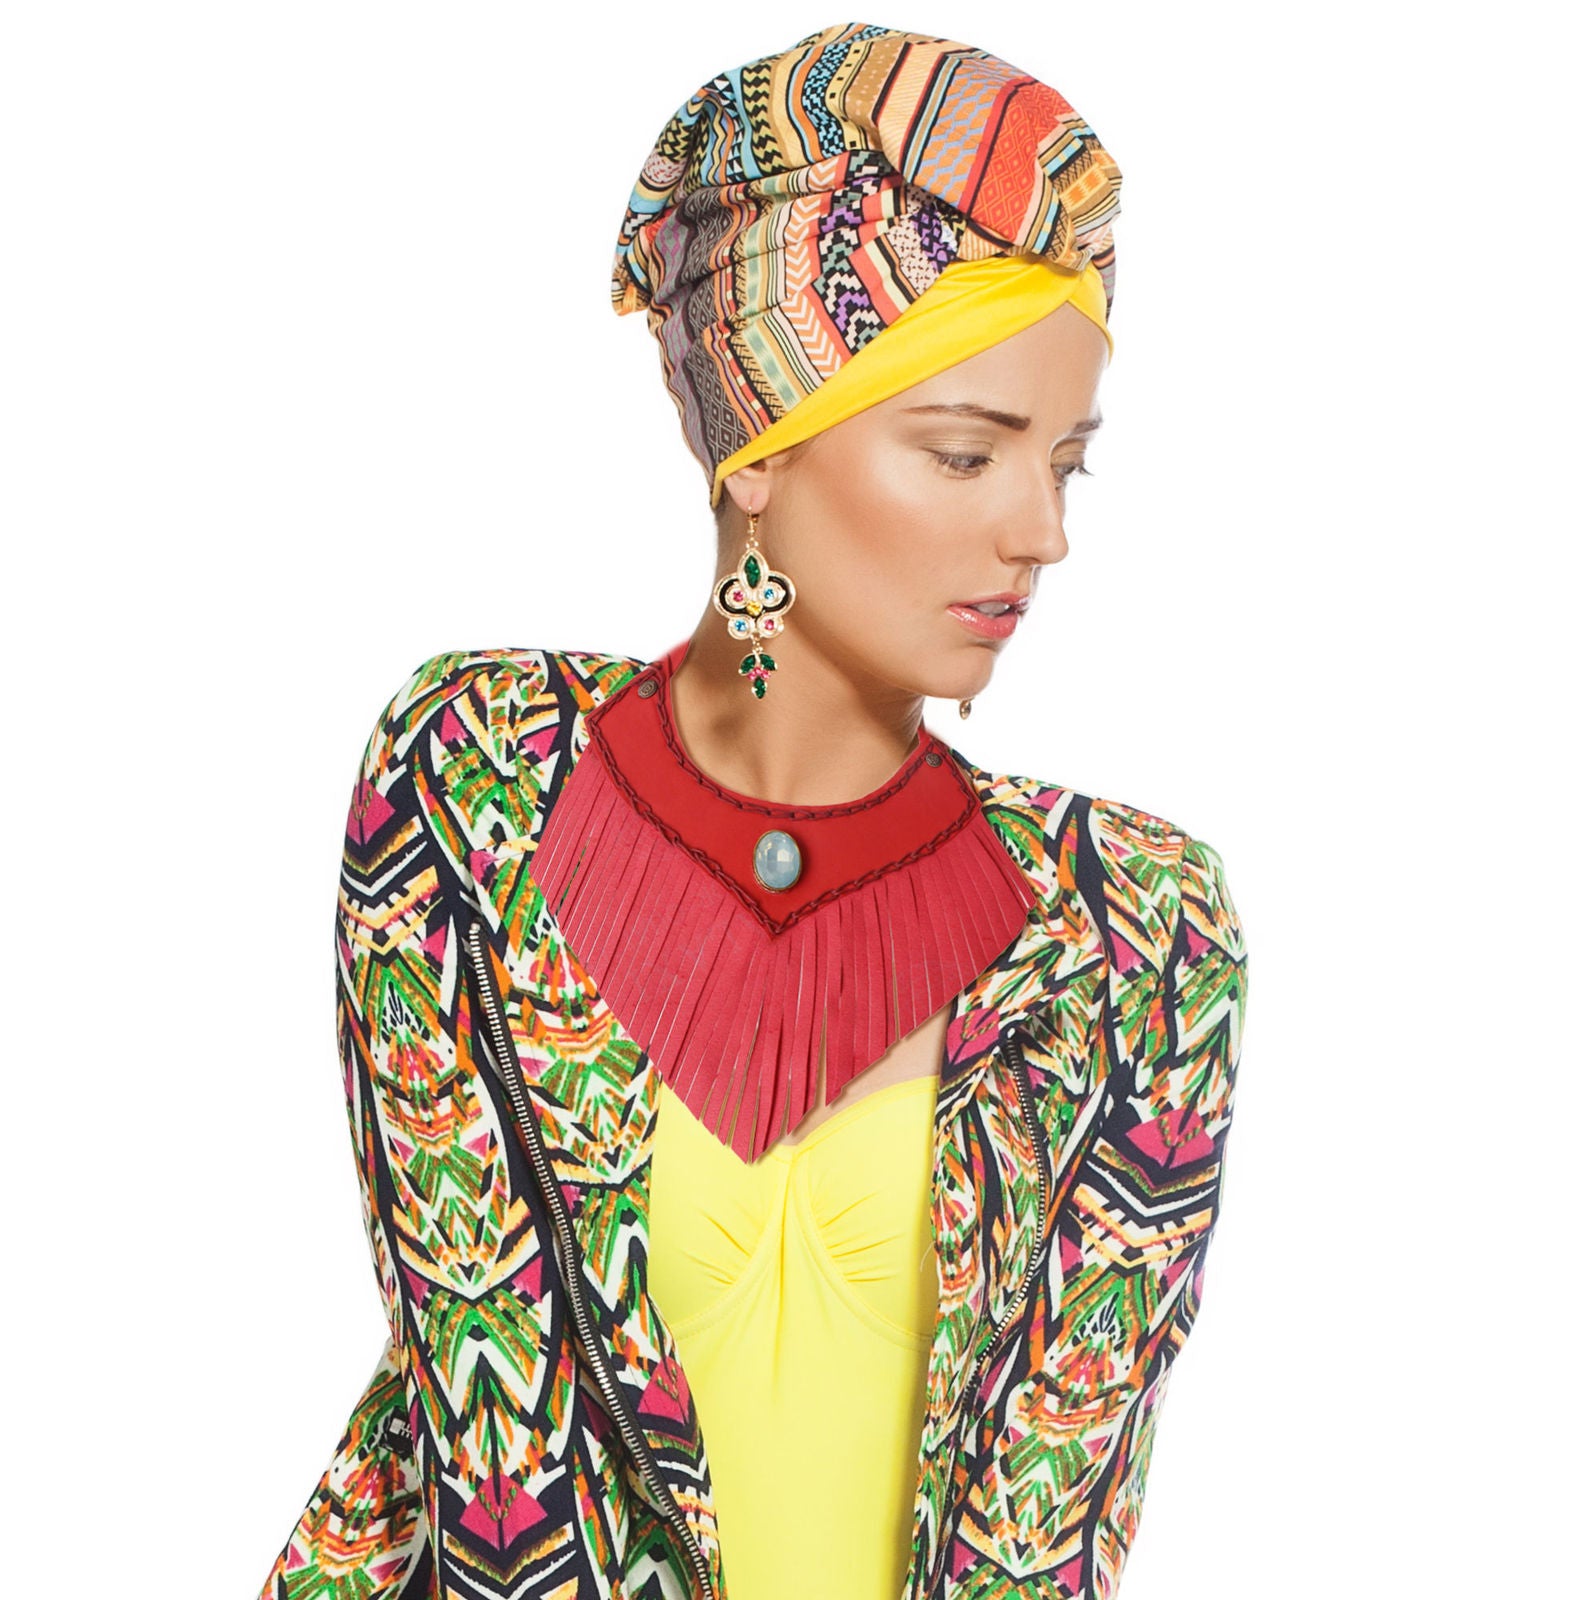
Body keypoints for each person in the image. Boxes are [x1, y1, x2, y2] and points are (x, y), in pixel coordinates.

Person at [257, 20, 1249, 1600]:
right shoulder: (475, 777)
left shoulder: (1140, 926)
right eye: (967, 454)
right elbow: (490, 1421)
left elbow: (1050, 1517)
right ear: (761, 449)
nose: (1042, 533)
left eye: (1066, 464)